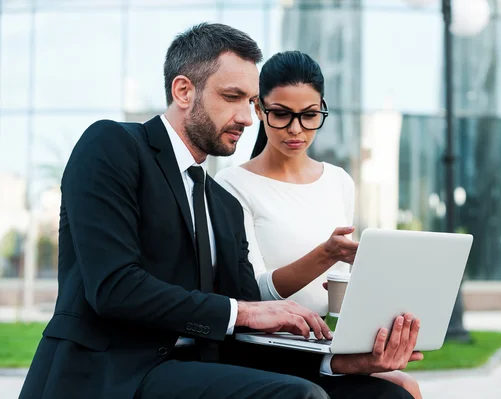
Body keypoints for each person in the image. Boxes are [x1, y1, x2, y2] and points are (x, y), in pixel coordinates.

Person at [20, 24, 421, 399]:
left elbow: (252, 330)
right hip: (114, 371)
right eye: (232, 98)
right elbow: (114, 288)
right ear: (183, 92)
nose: (248, 118)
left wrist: (345, 362)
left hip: (202, 367)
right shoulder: (113, 146)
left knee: (388, 394)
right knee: (298, 397)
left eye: (250, 101)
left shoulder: (223, 204)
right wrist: (244, 311)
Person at [215, 51, 423, 399]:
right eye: (281, 115)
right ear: (259, 109)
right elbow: (252, 294)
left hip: (323, 342)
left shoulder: (338, 181)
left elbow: (340, 286)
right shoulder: (232, 186)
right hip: (264, 349)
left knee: (406, 384)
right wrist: (325, 254)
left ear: (321, 108)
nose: (296, 130)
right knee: (398, 391)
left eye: (309, 115)